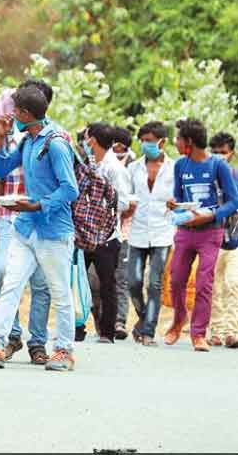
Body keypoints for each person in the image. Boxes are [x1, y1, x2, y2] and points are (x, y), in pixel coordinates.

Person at [0, 84, 79, 372]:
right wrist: (0, 140)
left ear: (26, 113)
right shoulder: (28, 140)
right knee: (11, 284)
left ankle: (64, 350)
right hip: (25, 228)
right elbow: (0, 169)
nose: (11, 115)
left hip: (53, 231)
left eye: (15, 111)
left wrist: (38, 205)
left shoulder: (54, 143)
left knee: (59, 292)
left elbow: (70, 189)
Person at [0, 89, 52, 364]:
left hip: (41, 218)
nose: (14, 113)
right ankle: (12, 335)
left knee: (41, 284)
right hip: (9, 216)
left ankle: (37, 343)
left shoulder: (51, 138)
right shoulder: (6, 134)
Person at [165, 118, 238, 352]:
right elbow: (179, 198)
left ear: (189, 141)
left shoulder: (218, 165)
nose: (175, 143)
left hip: (210, 232)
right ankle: (179, 320)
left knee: (205, 283)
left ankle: (198, 334)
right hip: (185, 231)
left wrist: (210, 216)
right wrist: (174, 205)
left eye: (178, 139)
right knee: (176, 279)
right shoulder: (180, 165)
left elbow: (234, 201)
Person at [78, 122, 131, 343]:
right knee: (79, 281)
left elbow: (124, 202)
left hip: (106, 236)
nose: (85, 142)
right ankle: (78, 326)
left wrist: (97, 206)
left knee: (107, 284)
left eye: (88, 138)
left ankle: (107, 331)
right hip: (84, 233)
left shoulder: (115, 169)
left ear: (94, 141)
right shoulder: (89, 164)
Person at [125, 121, 176, 346]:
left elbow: (181, 198)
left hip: (162, 232)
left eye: (150, 141)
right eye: (143, 140)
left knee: (154, 283)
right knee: (133, 282)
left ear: (162, 142)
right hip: (137, 232)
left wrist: (176, 204)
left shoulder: (174, 168)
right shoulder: (133, 168)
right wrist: (128, 207)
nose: (146, 145)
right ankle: (144, 318)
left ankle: (148, 332)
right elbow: (126, 198)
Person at [207, 131, 238, 349]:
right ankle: (216, 331)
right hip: (210, 240)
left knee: (233, 284)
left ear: (232, 154)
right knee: (212, 287)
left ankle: (231, 331)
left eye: (223, 153)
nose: (219, 157)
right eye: (215, 153)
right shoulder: (206, 180)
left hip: (235, 240)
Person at [111, 125, 134, 340]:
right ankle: (104, 320)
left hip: (126, 230)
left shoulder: (134, 167)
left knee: (122, 279)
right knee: (97, 280)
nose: (118, 149)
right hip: (106, 230)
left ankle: (120, 321)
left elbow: (133, 203)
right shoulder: (103, 165)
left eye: (121, 145)